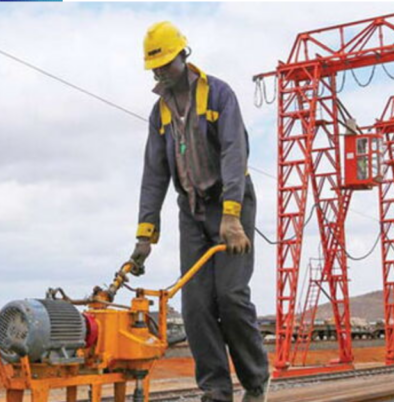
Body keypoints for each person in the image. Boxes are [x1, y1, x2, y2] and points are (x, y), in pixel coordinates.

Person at [130, 21, 270, 402]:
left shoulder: (219, 95)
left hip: (231, 205)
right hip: (191, 211)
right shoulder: (159, 113)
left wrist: (232, 216)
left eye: (165, 64)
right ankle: (216, 391)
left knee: (231, 296)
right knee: (194, 306)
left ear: (183, 55)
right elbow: (154, 175)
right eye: (155, 67)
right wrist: (145, 235)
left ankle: (255, 382)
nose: (160, 73)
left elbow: (234, 154)